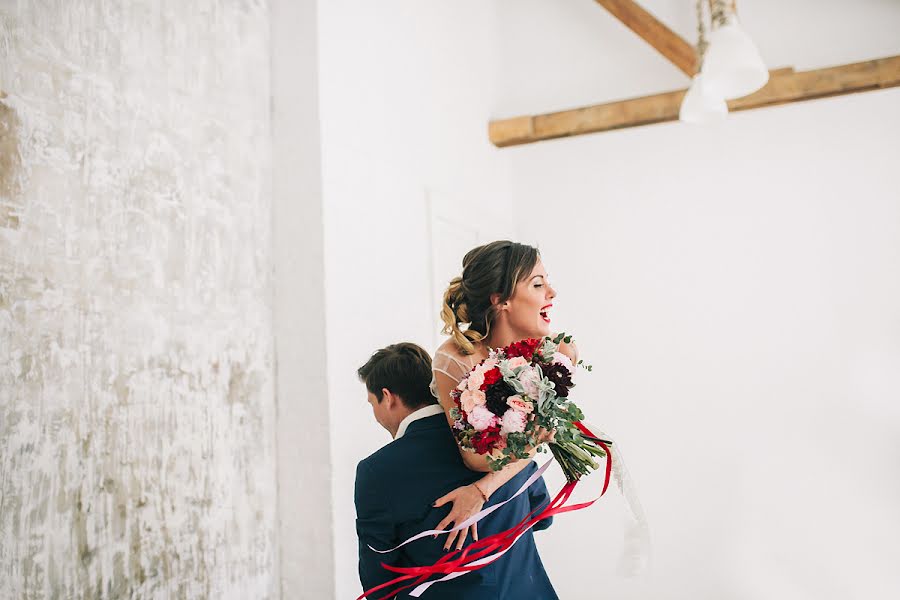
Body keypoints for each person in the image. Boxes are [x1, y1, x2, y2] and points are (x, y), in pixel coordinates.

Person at [355, 343, 557, 598]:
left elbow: (378, 579)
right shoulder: (496, 436)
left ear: (388, 396)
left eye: (372, 403)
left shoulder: (377, 471)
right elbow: (542, 512)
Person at [430, 240, 578, 551]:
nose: (551, 293)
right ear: (501, 300)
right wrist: (534, 438)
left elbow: (535, 440)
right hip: (453, 500)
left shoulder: (558, 353)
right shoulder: (457, 360)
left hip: (516, 497)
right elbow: (475, 457)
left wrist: (482, 491)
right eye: (538, 284)